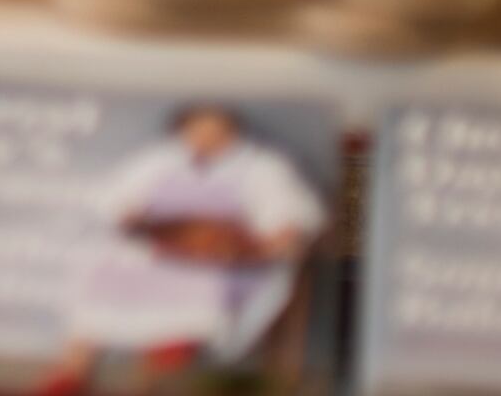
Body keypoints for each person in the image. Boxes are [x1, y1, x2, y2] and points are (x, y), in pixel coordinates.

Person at [50, 104, 326, 392]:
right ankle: (71, 373)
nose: (205, 138)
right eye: (197, 131)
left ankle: (156, 379)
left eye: (216, 131)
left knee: (194, 287)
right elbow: (113, 200)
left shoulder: (261, 166)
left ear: (233, 133)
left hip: (225, 261)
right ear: (182, 132)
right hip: (162, 250)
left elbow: (287, 219)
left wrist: (278, 233)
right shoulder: (160, 160)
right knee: (104, 267)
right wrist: (130, 214)